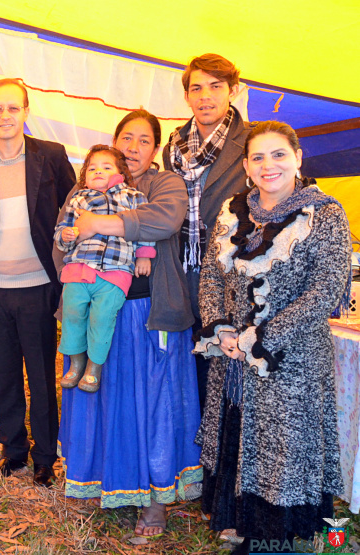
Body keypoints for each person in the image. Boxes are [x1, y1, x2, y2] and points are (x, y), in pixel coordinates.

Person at [195, 121, 349, 553]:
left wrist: (259, 337)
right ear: (246, 166)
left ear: (298, 159)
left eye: (279, 154)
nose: (269, 165)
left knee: (282, 446)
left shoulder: (326, 214)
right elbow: (211, 275)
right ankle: (240, 520)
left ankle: (273, 536)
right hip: (233, 356)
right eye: (258, 157)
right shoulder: (233, 210)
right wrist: (220, 327)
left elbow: (326, 289)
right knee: (237, 430)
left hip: (292, 359)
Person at [57, 110, 202, 537]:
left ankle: (156, 499)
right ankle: (101, 482)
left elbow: (164, 222)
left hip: (147, 313)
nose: (133, 147)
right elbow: (63, 233)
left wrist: (99, 224)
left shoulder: (165, 185)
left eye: (143, 140)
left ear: (154, 149)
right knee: (100, 394)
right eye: (126, 138)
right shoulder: (87, 184)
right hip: (97, 303)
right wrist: (69, 249)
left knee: (152, 403)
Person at [0, 78, 75, 487]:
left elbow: (73, 210)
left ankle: (45, 456)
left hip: (41, 284)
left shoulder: (51, 157)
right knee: (5, 373)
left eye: (12, 108)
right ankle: (14, 452)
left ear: (26, 111)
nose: (4, 116)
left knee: (41, 374)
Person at [162, 54, 251, 410]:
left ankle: (223, 459)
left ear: (233, 91)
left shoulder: (252, 143)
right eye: (196, 88)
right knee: (190, 364)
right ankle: (194, 455)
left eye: (215, 87)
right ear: (186, 96)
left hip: (230, 272)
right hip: (182, 269)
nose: (205, 96)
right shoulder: (173, 147)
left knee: (227, 368)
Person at [54, 145, 155, 393]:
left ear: (120, 172)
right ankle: (76, 362)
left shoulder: (134, 197)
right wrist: (66, 236)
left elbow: (144, 229)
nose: (98, 171)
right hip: (79, 268)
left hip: (115, 271)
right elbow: (61, 233)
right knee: (72, 314)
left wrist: (144, 255)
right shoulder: (78, 198)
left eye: (106, 167)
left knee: (102, 319)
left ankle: (94, 366)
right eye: (92, 168)